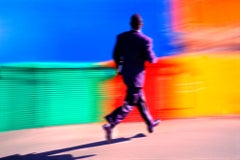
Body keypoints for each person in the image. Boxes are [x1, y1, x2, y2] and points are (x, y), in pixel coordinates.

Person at [103, 14, 160, 142]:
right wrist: (154, 58)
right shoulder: (146, 40)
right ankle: (111, 123)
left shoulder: (122, 37)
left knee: (140, 99)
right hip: (137, 76)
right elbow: (151, 59)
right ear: (141, 25)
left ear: (130, 24)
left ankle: (150, 123)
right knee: (130, 103)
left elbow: (115, 55)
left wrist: (120, 68)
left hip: (126, 74)